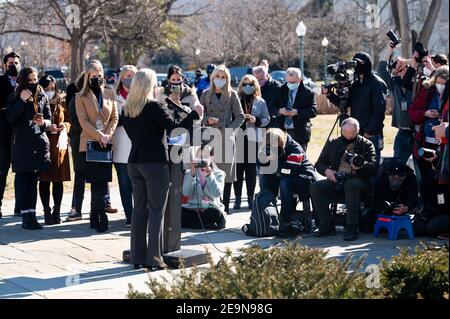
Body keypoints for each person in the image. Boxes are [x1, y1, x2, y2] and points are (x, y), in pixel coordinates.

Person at [122, 68, 203, 271]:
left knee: (139, 211)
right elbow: (175, 129)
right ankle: (154, 259)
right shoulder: (153, 107)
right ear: (150, 85)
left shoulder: (127, 108)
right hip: (154, 163)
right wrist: (194, 114)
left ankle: (138, 257)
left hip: (133, 162)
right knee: (156, 211)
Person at [310, 117, 377, 241]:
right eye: (345, 135)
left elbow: (374, 168)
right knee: (316, 187)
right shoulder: (333, 143)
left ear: (357, 132)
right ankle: (327, 224)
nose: (348, 139)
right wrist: (327, 171)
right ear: (341, 131)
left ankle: (352, 226)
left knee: (351, 184)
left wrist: (361, 166)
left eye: (352, 136)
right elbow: (319, 163)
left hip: (358, 180)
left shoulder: (366, 144)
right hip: (337, 179)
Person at [75, 61, 118, 232]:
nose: (97, 79)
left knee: (103, 180)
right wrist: (99, 135)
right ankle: (98, 215)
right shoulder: (81, 96)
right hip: (90, 143)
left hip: (106, 143)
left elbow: (114, 117)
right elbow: (83, 121)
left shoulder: (109, 93)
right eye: (93, 76)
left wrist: (107, 135)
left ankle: (98, 212)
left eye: (99, 76)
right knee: (95, 182)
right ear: (87, 77)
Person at [6, 67, 52, 229]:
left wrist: (44, 123)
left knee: (33, 181)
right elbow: (10, 119)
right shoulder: (14, 96)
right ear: (23, 80)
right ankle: (25, 215)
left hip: (38, 143)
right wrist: (21, 101)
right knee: (22, 181)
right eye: (30, 80)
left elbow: (49, 119)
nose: (33, 83)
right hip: (21, 144)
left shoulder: (42, 95)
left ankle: (32, 215)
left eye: (35, 79)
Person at [324, 52, 387, 165]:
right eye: (355, 63)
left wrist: (369, 132)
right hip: (355, 133)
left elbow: (379, 110)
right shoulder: (356, 84)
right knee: (354, 165)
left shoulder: (376, 83)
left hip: (370, 134)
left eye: (359, 63)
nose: (357, 66)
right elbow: (344, 104)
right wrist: (329, 95)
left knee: (371, 167)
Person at [200, 64, 245, 213]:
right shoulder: (205, 94)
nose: (220, 79)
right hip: (210, 138)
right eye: (217, 76)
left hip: (226, 138)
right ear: (212, 77)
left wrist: (229, 129)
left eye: (223, 77)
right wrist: (207, 120)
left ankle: (225, 207)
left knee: (225, 174)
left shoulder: (232, 94)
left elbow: (240, 116)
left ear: (227, 79)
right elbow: (199, 116)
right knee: (209, 172)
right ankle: (211, 206)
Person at [408, 66, 449, 215]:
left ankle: (440, 211)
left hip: (444, 148)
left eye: (444, 83)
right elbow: (412, 112)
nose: (441, 86)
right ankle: (427, 208)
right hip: (425, 143)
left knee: (440, 183)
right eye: (438, 82)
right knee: (425, 182)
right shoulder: (427, 91)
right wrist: (425, 113)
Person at [258, 128, 317, 226]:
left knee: (285, 182)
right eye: (270, 144)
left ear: (281, 140)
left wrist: (275, 163)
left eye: (275, 143)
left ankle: (285, 218)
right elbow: (261, 167)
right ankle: (268, 214)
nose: (272, 146)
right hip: (282, 174)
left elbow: (289, 170)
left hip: (302, 176)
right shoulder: (268, 147)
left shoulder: (295, 149)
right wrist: (265, 159)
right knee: (265, 179)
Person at [233, 74, 270, 210]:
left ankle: (249, 197)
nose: (247, 87)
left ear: (255, 86)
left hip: (254, 139)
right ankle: (237, 198)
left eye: (250, 84)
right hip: (238, 137)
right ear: (241, 86)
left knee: (250, 171)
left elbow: (267, 119)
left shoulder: (260, 101)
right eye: (245, 84)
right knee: (238, 170)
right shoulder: (236, 99)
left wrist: (256, 120)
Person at [38, 75, 71, 225]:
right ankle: (46, 211)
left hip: (59, 148)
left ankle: (56, 210)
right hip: (44, 146)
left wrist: (64, 126)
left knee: (58, 181)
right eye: (46, 89)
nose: (50, 92)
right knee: (44, 181)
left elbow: (69, 121)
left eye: (52, 88)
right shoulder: (38, 102)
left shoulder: (62, 102)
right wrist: (46, 127)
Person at [360, 157, 419, 232]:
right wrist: (384, 207)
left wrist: (406, 208)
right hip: (382, 209)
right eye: (393, 175)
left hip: (402, 207)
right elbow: (374, 200)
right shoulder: (380, 179)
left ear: (405, 175)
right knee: (366, 220)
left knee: (417, 227)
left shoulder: (411, 179)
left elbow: (413, 197)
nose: (396, 177)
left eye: (400, 175)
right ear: (388, 174)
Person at [378, 43, 414, 164]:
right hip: (402, 133)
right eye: (395, 73)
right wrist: (389, 50)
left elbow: (427, 60)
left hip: (418, 133)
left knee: (422, 170)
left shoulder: (419, 84)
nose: (397, 75)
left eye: (399, 71)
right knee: (397, 166)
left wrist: (406, 61)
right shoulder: (395, 84)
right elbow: (381, 70)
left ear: (407, 69)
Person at [112, 65, 137, 227]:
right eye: (127, 76)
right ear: (121, 78)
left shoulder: (141, 96)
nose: (129, 78)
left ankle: (140, 214)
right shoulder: (113, 97)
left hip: (138, 145)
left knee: (138, 183)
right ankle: (129, 215)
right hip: (120, 145)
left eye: (133, 76)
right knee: (124, 182)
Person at [182, 145, 226, 229]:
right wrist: (192, 174)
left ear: (211, 158)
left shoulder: (219, 173)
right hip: (193, 208)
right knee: (180, 213)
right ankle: (204, 224)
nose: (202, 159)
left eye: (205, 156)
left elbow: (217, 194)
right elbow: (186, 193)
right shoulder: (191, 172)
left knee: (214, 213)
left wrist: (210, 175)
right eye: (199, 156)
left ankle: (197, 224)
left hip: (210, 207)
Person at [0, 52, 21, 219]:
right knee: (2, 171)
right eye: (11, 63)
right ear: (5, 65)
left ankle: (20, 206)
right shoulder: (0, 82)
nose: (14, 65)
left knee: (22, 171)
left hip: (21, 134)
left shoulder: (25, 82)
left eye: (16, 63)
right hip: (4, 133)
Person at [276, 67, 317, 150]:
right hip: (282, 130)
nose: (290, 84)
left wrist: (297, 112)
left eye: (293, 82)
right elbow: (271, 107)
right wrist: (279, 110)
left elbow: (313, 111)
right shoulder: (280, 90)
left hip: (300, 131)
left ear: (300, 80)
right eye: (289, 82)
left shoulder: (308, 93)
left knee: (299, 157)